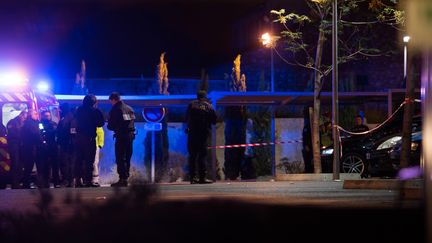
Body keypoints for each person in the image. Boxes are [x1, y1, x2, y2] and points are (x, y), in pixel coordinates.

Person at [185, 90, 217, 184]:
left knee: (192, 156)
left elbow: (186, 117)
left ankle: (192, 178)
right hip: (203, 134)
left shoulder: (191, 105)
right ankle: (202, 178)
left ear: (197, 96)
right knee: (202, 156)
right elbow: (214, 120)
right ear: (205, 96)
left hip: (192, 134)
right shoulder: (208, 106)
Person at [75, 94, 105, 187]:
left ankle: (78, 181)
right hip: (90, 138)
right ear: (94, 102)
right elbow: (101, 123)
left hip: (79, 138)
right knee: (89, 161)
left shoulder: (79, 110)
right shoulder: (95, 111)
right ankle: (88, 181)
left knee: (79, 160)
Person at [107, 92, 136, 187]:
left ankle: (122, 179)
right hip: (130, 136)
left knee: (120, 157)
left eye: (111, 101)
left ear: (113, 100)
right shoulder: (130, 108)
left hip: (121, 136)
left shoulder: (116, 109)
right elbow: (132, 122)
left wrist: (111, 127)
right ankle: (126, 178)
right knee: (127, 157)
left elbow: (111, 125)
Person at [7, 110, 27, 188]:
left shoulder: (20, 122)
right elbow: (12, 134)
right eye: (24, 117)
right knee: (15, 163)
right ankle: (14, 183)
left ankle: (18, 181)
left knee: (19, 164)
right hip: (14, 145)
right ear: (21, 115)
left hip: (19, 145)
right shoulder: (12, 122)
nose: (24, 119)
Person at [21, 109, 42, 189]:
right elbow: (36, 135)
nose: (37, 115)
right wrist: (42, 142)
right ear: (31, 115)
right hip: (32, 147)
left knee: (29, 167)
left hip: (30, 147)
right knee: (33, 166)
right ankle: (29, 183)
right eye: (35, 114)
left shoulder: (29, 123)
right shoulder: (31, 124)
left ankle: (26, 183)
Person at [39, 110, 60, 188]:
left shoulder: (54, 123)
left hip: (53, 146)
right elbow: (41, 133)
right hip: (44, 147)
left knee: (55, 165)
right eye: (46, 116)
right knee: (45, 166)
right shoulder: (40, 124)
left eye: (48, 115)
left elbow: (57, 133)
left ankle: (56, 182)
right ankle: (46, 182)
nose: (47, 117)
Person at [56, 104, 75, 187]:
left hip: (66, 144)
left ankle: (67, 180)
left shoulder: (67, 118)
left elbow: (65, 132)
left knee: (65, 163)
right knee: (69, 163)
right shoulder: (70, 117)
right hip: (68, 144)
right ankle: (70, 180)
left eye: (60, 109)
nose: (59, 111)